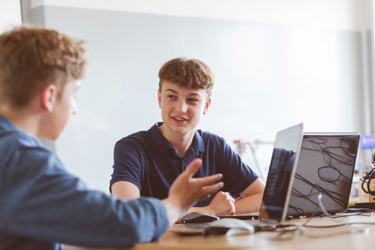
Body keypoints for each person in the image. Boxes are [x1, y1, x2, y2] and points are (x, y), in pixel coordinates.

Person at [0, 26, 224, 250]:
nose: (75, 108)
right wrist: (177, 203)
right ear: (49, 96)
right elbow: (118, 222)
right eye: (74, 94)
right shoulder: (16, 157)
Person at [111, 58, 265, 217]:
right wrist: (208, 212)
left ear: (206, 106)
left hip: (210, 242)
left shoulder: (215, 146)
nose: (181, 109)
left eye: (192, 100)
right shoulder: (132, 148)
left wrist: (227, 209)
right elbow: (128, 212)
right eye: (172, 96)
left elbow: (265, 197)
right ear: (159, 99)